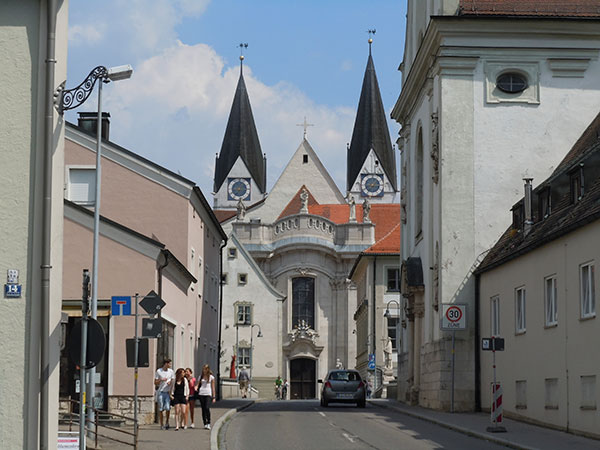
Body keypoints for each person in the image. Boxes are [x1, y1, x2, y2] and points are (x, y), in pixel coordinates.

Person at [154, 359, 174, 430]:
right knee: (161, 408)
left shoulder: (171, 371)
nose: (170, 365)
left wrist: (170, 383)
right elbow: (155, 382)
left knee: (168, 408)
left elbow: (172, 380)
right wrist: (161, 380)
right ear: (166, 364)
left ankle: (167, 422)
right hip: (161, 392)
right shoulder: (159, 371)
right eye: (169, 364)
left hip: (167, 392)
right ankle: (161, 424)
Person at [196, 364, 216, 430]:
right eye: (203, 369)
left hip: (208, 393)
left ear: (208, 369)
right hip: (201, 393)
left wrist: (214, 397)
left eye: (205, 369)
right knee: (203, 409)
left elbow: (213, 387)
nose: (204, 370)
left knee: (207, 407)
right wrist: (196, 387)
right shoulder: (200, 377)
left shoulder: (211, 377)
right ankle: (205, 423)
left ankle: (209, 422)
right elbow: (198, 384)